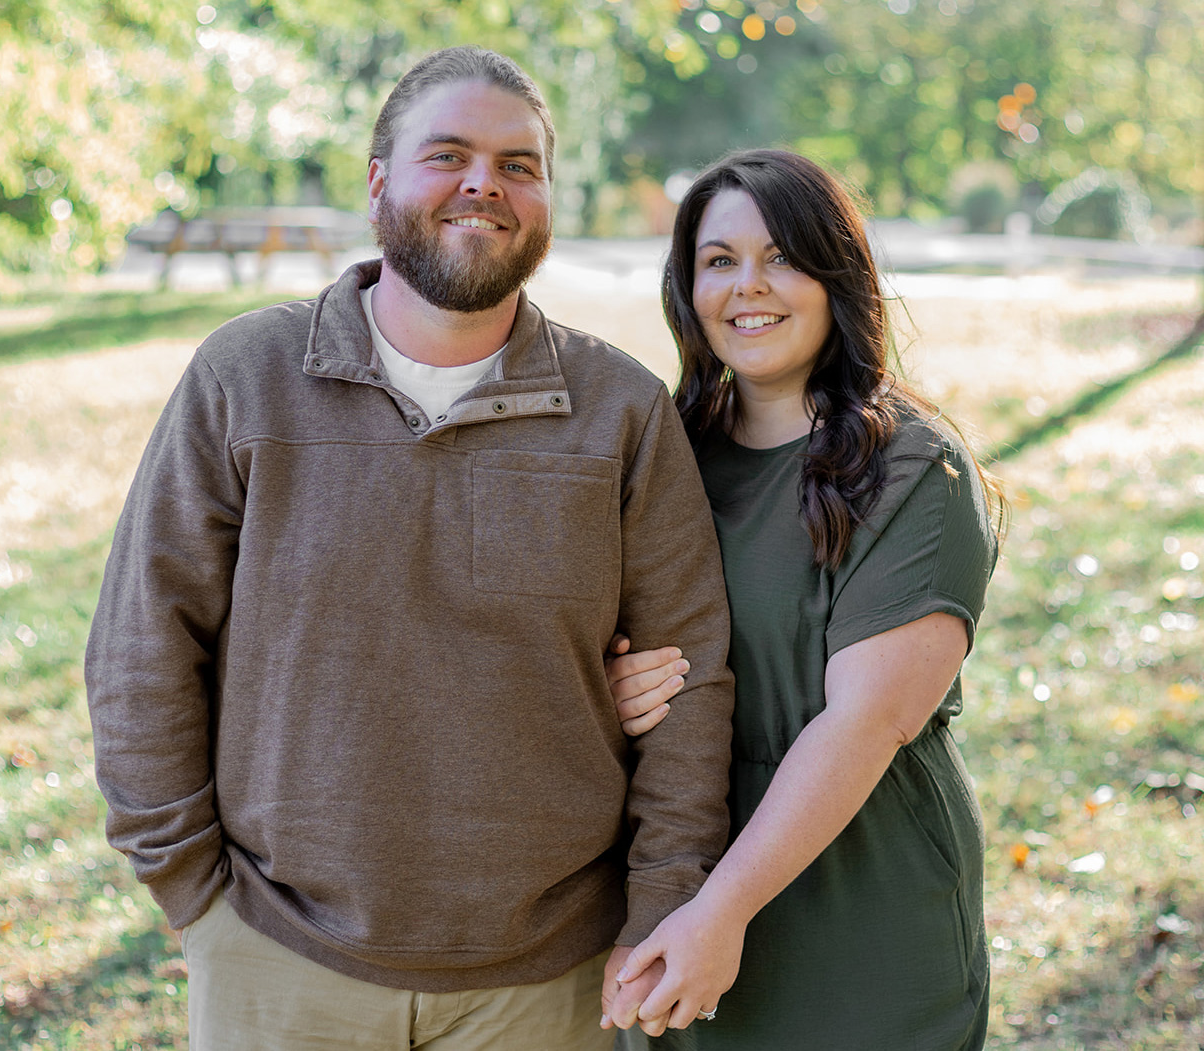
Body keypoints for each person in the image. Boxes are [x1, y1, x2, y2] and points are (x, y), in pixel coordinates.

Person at [84, 46, 735, 1051]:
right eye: (448, 155)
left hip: (546, 975)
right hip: (276, 954)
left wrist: (661, 900)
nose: (484, 184)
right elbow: (143, 644)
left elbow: (690, 679)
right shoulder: (246, 377)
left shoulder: (620, 409)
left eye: (517, 165)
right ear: (378, 180)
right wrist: (189, 888)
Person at [601, 149, 1003, 1049]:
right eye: (720, 260)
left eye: (781, 255)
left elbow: (867, 720)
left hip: (861, 893)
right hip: (676, 866)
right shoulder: (660, 455)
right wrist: (609, 687)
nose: (749, 285)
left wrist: (721, 910)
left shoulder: (914, 469)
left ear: (836, 275)